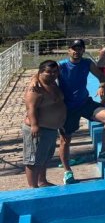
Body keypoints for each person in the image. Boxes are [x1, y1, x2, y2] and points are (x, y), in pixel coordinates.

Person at [57, 39, 105, 184]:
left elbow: (102, 77)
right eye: (74, 48)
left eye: (80, 49)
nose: (76, 51)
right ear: (68, 50)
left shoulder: (87, 63)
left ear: (83, 50)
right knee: (65, 140)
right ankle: (67, 171)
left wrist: (102, 86)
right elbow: (42, 77)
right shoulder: (61, 66)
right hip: (68, 108)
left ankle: (104, 152)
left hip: (85, 103)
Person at [23, 60, 67, 188]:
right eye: (48, 72)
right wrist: (34, 125)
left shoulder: (53, 83)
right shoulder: (35, 88)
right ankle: (33, 186)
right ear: (41, 73)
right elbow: (30, 108)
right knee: (33, 159)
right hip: (38, 129)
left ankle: (42, 181)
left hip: (51, 128)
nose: (52, 74)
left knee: (45, 157)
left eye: (55, 72)